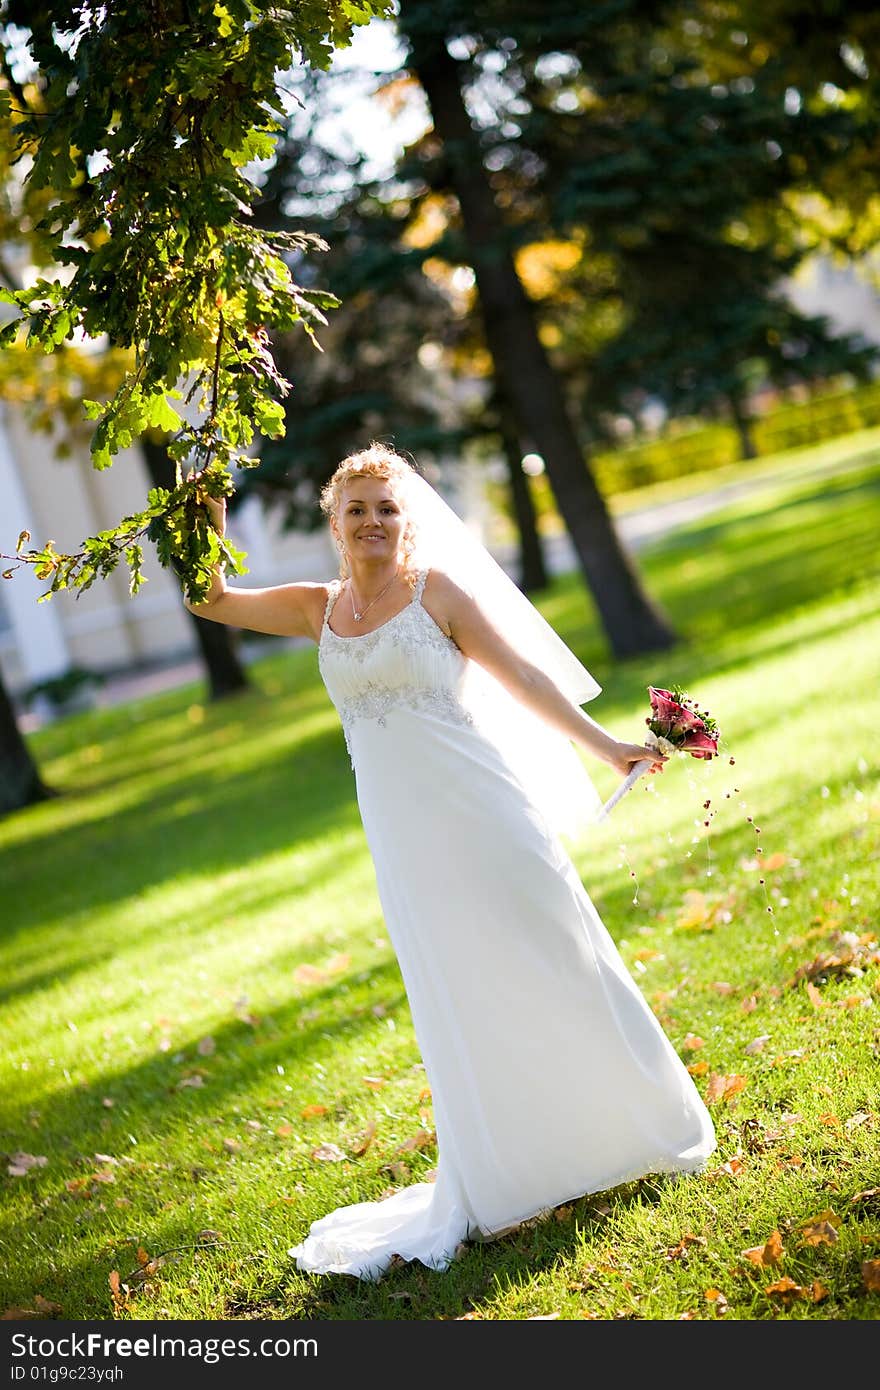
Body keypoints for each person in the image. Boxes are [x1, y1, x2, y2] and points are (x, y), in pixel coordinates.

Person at [184, 442, 716, 1281]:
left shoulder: (440, 594)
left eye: (386, 508)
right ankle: (511, 1166)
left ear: (409, 519)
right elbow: (208, 598)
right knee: (457, 987)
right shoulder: (314, 609)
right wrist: (205, 511)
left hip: (486, 810)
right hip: (403, 834)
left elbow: (527, 680)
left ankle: (637, 1124)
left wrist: (610, 747)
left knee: (554, 956)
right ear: (334, 520)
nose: (371, 522)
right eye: (355, 508)